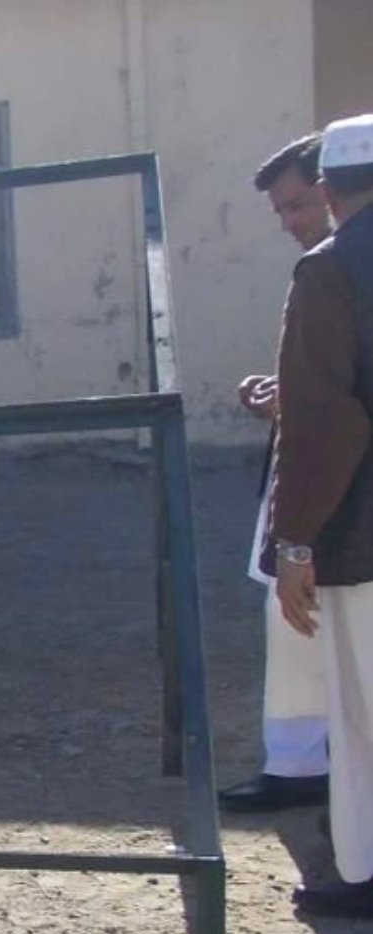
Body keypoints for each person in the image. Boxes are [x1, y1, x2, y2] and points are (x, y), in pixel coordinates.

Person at [265, 113, 373, 917]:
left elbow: (325, 423)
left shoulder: (330, 272)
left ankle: (368, 873)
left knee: (363, 710)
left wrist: (294, 540)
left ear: (330, 189)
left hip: (362, 534)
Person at [220, 132, 335, 813]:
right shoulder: (325, 266)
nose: (291, 222)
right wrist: (284, 399)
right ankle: (296, 767)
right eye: (282, 212)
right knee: (291, 626)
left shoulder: (340, 269)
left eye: (297, 204)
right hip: (304, 481)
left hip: (336, 495)